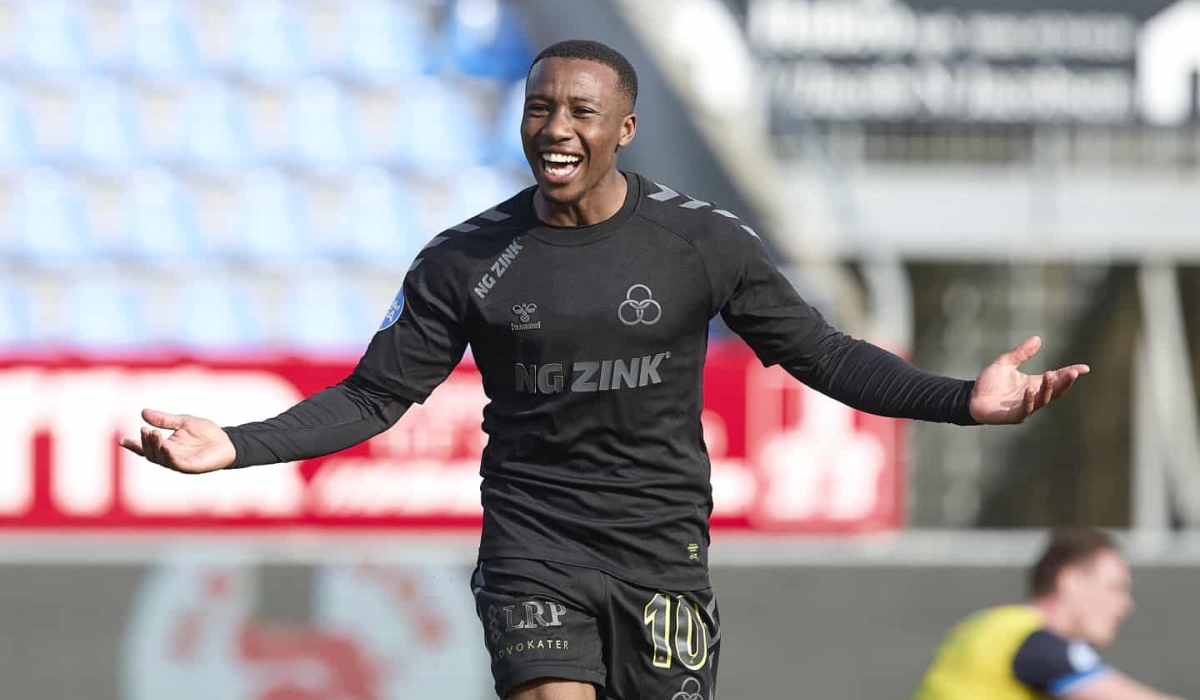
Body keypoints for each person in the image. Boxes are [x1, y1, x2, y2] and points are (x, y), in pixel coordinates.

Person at [121, 40, 1089, 700]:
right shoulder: (466, 260)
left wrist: (965, 400)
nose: (557, 127)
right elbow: (378, 393)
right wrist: (235, 446)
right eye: (541, 107)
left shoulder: (699, 244)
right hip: (533, 545)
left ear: (623, 130)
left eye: (582, 110)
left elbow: (821, 353)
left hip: (661, 548)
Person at [912, 528, 1186, 700]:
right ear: (1071, 581)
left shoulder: (986, 627)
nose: (1125, 605)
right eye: (1116, 588)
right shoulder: (1036, 643)